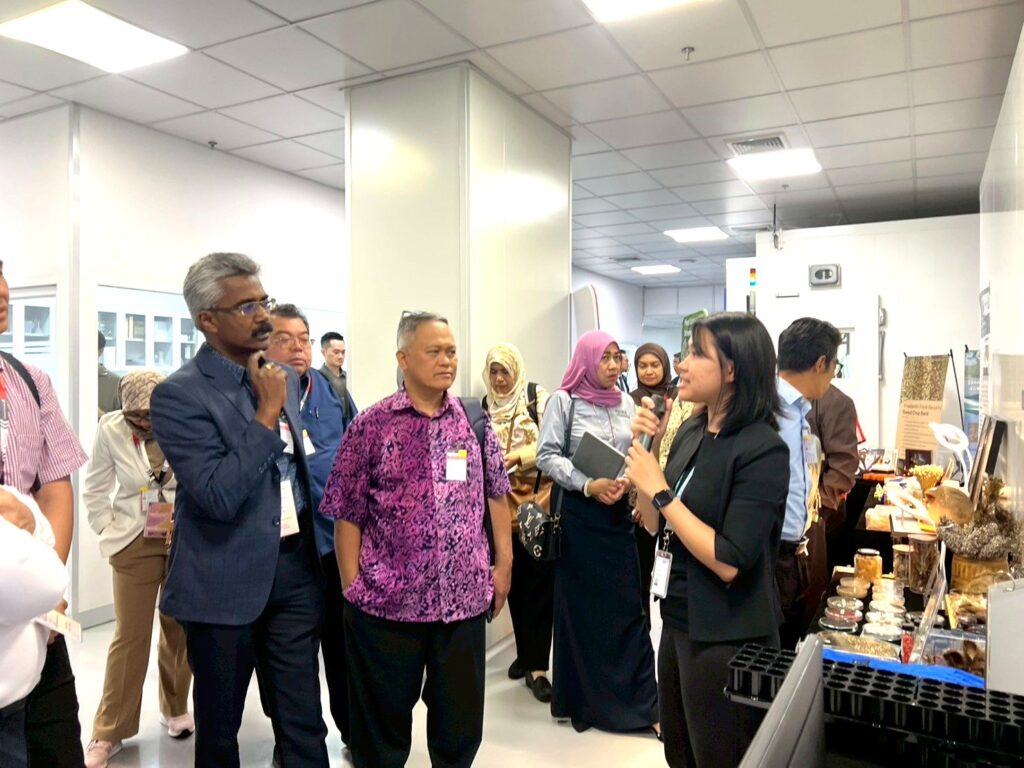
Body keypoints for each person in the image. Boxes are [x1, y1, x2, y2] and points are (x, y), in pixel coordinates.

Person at [149, 253, 328, 768]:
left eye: (264, 301)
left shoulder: (281, 376)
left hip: (294, 570)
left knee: (303, 722)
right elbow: (217, 494)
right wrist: (266, 413)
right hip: (222, 582)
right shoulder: (179, 395)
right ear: (208, 319)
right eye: (247, 306)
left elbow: (295, 469)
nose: (263, 315)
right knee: (220, 735)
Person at [320, 311, 512, 768]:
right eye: (434, 352)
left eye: (451, 352)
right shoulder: (371, 426)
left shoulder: (473, 422)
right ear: (403, 359)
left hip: (462, 603)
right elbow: (347, 513)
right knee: (380, 732)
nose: (447, 361)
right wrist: (352, 586)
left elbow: (497, 494)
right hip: (387, 605)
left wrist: (503, 566)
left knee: (459, 728)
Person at [626, 312, 790, 768]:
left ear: (732, 370)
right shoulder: (693, 430)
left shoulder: (762, 448)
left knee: (720, 755)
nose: (681, 364)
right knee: (678, 752)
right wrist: (651, 446)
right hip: (678, 620)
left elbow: (729, 560)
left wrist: (661, 490)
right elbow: (653, 523)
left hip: (728, 636)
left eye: (697, 354)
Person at [536, 330, 658, 737]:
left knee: (627, 606)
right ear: (586, 359)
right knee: (581, 610)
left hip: (616, 515)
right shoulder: (563, 400)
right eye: (603, 357)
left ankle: (638, 704)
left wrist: (625, 480)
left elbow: (633, 452)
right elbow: (547, 455)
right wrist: (587, 484)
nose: (611, 365)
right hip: (580, 515)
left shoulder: (626, 402)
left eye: (616, 357)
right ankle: (584, 702)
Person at [0, 260, 89, 767]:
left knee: (55, 746)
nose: (1, 292)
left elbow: (55, 484)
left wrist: (48, 581)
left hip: (35, 620)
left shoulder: (29, 381)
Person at [82, 371, 193, 768]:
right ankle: (109, 729)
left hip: (182, 537)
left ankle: (175, 707)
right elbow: (95, 488)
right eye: (135, 416)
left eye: (150, 415)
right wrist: (108, 529)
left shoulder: (184, 421)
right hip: (133, 539)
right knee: (130, 635)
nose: (144, 423)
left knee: (178, 629)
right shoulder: (111, 429)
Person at [265, 303, 351, 752]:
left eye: (304, 339)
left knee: (342, 649)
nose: (297, 348)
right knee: (289, 656)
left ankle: (352, 733)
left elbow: (354, 454)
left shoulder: (331, 392)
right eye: (285, 339)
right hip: (283, 548)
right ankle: (291, 741)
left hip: (331, 542)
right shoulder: (258, 396)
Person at [482, 343, 553, 704]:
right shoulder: (485, 407)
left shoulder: (536, 398)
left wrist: (518, 457)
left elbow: (553, 445)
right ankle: (525, 654)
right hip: (499, 509)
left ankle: (538, 666)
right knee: (512, 584)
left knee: (539, 586)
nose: (499, 379)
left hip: (534, 506)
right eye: (494, 371)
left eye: (504, 371)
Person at [775, 317, 842, 650]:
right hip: (772, 554)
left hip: (791, 551)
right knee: (776, 655)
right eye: (834, 367)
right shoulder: (773, 409)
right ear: (820, 364)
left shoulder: (796, 409)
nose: (832, 375)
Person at [0, 487, 69, 768]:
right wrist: (33, 526)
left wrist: (31, 519)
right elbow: (52, 581)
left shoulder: (9, 496)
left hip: (17, 704)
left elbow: (39, 525)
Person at [629, 342, 678, 623]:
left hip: (674, 494)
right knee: (642, 567)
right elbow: (630, 450)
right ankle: (643, 625)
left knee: (673, 564)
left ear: (664, 366)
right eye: (642, 365)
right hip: (641, 499)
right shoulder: (631, 401)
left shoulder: (679, 400)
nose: (648, 371)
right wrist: (641, 498)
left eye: (654, 365)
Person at [808, 384, 859, 574]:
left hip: (820, 518)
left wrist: (813, 504)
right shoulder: (772, 397)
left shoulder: (836, 402)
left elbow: (842, 470)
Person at [320, 331, 356, 425]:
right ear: (324, 352)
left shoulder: (349, 378)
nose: (340, 356)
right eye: (336, 352)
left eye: (343, 352)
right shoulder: (317, 380)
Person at [98, 330, 122, 417]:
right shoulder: (65, 379)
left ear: (100, 351)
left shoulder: (116, 382)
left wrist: (102, 415)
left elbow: (123, 420)